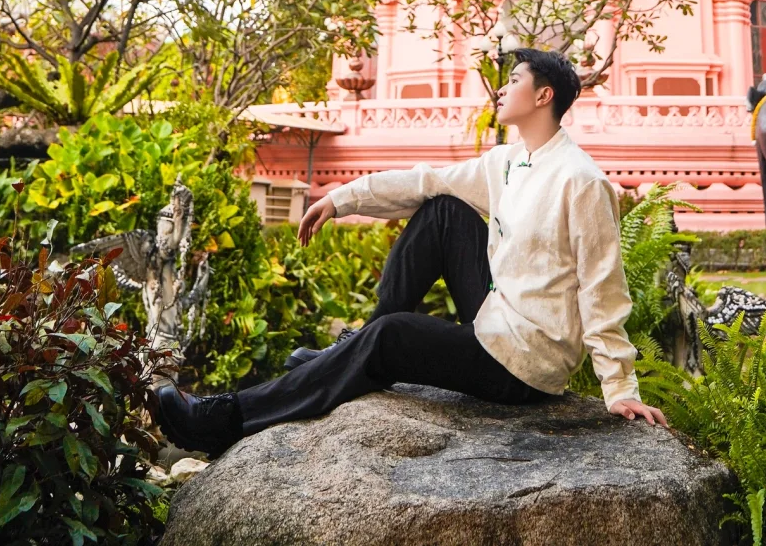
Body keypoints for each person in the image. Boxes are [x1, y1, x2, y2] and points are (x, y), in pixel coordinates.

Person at [154, 47, 667, 454]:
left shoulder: (581, 181)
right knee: (442, 210)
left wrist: (620, 388)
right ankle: (351, 355)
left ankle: (223, 420)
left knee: (390, 337)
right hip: (497, 317)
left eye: (515, 80)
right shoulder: (510, 161)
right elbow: (427, 180)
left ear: (543, 96)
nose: (504, 86)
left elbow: (602, 287)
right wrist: (341, 198)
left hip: (524, 362)